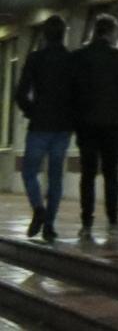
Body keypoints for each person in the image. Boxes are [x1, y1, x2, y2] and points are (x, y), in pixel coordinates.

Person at [16, 16, 78, 242]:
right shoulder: (72, 60)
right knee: (55, 177)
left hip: (40, 125)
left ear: (44, 34)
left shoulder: (35, 59)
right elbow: (78, 94)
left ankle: (38, 207)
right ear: (64, 34)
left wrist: (32, 111)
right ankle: (49, 226)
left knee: (29, 171)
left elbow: (21, 93)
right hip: (63, 127)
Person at [71, 13, 118, 243]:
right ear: (112, 32)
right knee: (111, 173)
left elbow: (72, 92)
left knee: (87, 174)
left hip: (86, 124)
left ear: (95, 31)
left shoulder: (78, 57)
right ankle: (113, 220)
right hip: (113, 124)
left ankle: (86, 223)